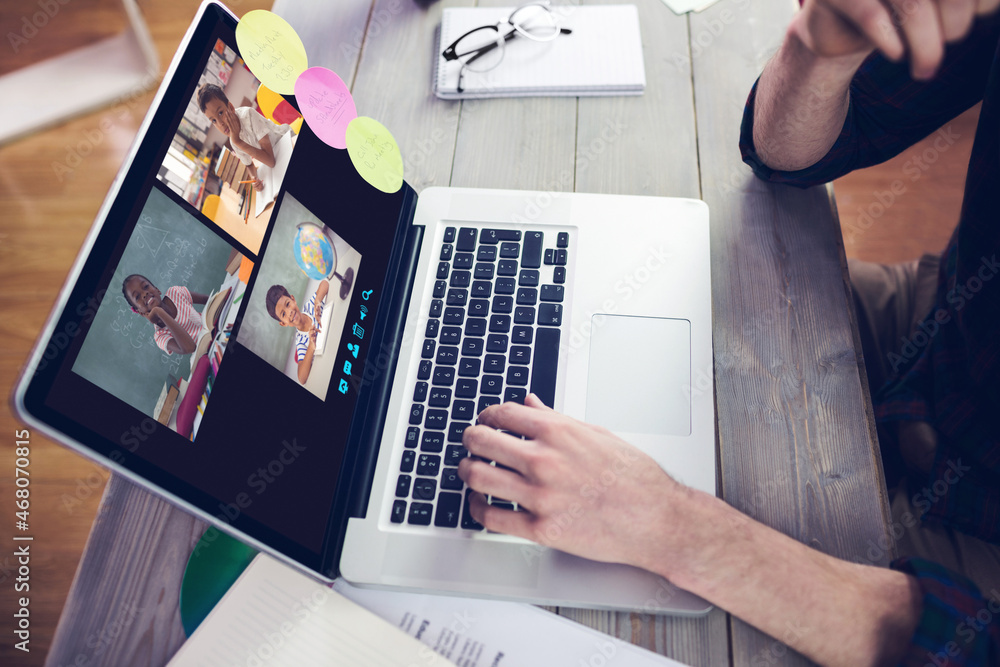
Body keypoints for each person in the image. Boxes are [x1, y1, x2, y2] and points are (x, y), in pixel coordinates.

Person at [457, 1, 1000, 664]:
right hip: (940, 334)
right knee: (605, 296)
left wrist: (675, 527)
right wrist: (822, 47)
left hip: (973, 557)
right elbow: (786, 151)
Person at [197, 83, 289, 192]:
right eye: (213, 120)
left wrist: (238, 142)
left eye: (220, 113)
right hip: (277, 163)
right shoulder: (233, 140)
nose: (220, 123)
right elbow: (249, 165)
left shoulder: (248, 115)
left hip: (286, 144)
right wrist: (254, 178)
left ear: (230, 107)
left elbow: (270, 161)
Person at [122, 274, 208, 355]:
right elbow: (190, 347)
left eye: (146, 287)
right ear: (141, 312)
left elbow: (208, 300)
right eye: (137, 297)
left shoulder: (175, 293)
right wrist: (159, 312)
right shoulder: (160, 336)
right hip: (207, 353)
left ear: (157, 289)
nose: (145, 294)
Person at [265, 280, 330, 385]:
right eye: (283, 314)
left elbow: (324, 284)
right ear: (283, 323)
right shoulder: (300, 340)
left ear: (293, 299)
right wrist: (311, 346)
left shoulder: (310, 306)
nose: (289, 312)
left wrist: (318, 301)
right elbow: (301, 378)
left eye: (288, 304)